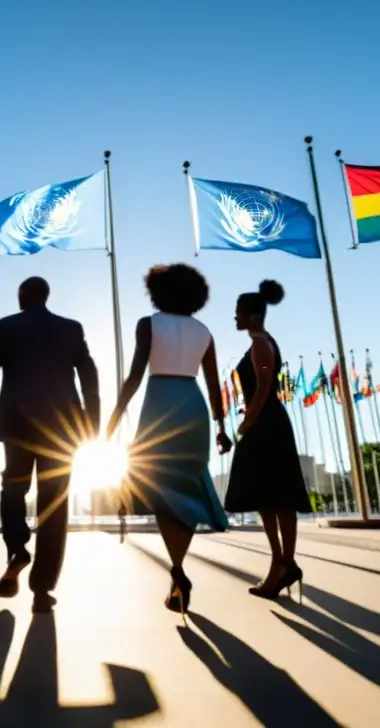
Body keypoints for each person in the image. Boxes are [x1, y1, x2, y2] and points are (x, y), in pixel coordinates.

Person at [106, 264, 231, 619]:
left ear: (157, 291)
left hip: (159, 401)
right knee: (188, 487)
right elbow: (213, 383)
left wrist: (115, 415)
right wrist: (222, 426)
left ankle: (177, 572)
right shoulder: (204, 331)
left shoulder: (148, 324)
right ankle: (177, 568)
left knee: (161, 489)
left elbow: (134, 373)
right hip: (193, 405)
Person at [0, 276, 99, 614]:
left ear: (24, 296)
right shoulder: (71, 329)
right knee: (54, 502)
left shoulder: (4, 327)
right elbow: (89, 377)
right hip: (61, 427)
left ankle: (17, 548)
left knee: (13, 488)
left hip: (16, 424)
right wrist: (93, 421)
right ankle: (42, 588)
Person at [223, 280, 311, 600]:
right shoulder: (260, 341)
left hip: (266, 423)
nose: (235, 318)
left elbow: (262, 387)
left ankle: (282, 564)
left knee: (275, 496)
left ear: (252, 315)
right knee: (268, 496)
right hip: (267, 420)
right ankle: (282, 563)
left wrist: (247, 422)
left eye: (238, 313)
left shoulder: (260, 343)